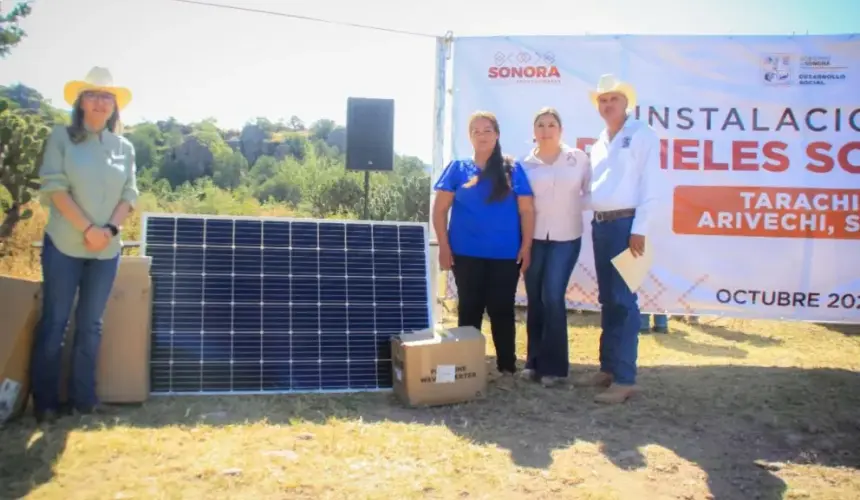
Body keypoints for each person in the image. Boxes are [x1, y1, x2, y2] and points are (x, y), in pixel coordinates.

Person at [29, 67, 138, 423]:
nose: (100, 102)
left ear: (114, 106)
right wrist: (88, 228)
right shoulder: (62, 137)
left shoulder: (124, 147)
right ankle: (45, 403)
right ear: (81, 102)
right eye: (93, 95)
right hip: (65, 244)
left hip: (106, 249)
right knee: (56, 321)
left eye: (107, 97)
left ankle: (84, 400)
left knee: (91, 324)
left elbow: (129, 194)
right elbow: (55, 187)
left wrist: (108, 229)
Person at [574, 74, 660, 404]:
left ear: (627, 103)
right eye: (603, 100)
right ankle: (608, 369)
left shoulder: (642, 134)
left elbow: (652, 185)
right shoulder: (598, 143)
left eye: (613, 99)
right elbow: (595, 191)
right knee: (609, 299)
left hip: (627, 226)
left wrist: (641, 228)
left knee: (624, 301)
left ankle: (626, 378)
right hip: (602, 225)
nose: (607, 105)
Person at [432, 111, 536, 376]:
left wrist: (526, 246)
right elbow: (440, 210)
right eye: (476, 131)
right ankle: (467, 367)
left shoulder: (512, 169)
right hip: (465, 254)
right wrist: (443, 246)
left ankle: (506, 366)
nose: (482, 136)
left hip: (504, 255)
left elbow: (526, 211)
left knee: (501, 309)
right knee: (469, 308)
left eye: (487, 130)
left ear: (497, 134)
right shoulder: (457, 168)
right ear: (469, 137)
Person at [519, 107, 591, 387]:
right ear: (534, 132)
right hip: (533, 238)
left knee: (552, 295)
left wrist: (572, 208)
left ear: (560, 130)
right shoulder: (524, 165)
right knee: (534, 298)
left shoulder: (578, 159)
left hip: (566, 237)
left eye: (551, 125)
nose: (546, 130)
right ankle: (533, 361)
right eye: (540, 125)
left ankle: (556, 368)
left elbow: (590, 192)